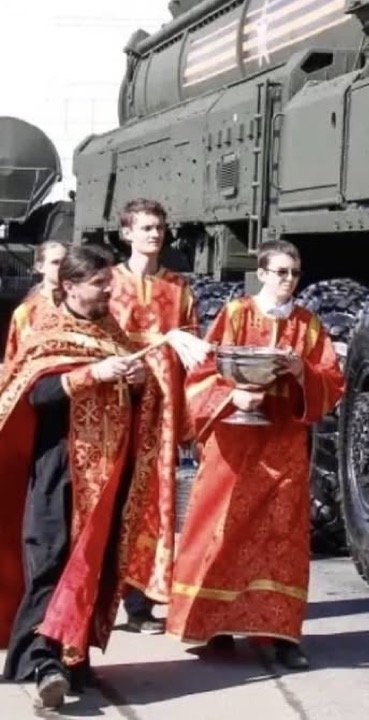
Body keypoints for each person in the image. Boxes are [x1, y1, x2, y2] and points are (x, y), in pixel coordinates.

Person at [0, 245, 184, 711]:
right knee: (51, 560)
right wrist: (91, 374)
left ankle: (73, 657)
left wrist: (139, 379)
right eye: (100, 284)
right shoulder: (48, 330)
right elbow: (34, 393)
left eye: (110, 282)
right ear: (71, 286)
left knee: (95, 565)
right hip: (59, 468)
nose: (109, 291)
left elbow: (140, 392)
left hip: (108, 475)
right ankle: (45, 662)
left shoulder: (111, 329)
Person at [165, 240, 344, 669]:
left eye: (295, 273)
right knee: (222, 527)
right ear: (261, 273)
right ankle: (215, 623)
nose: (288, 281)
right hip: (234, 443)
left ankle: (280, 633)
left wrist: (304, 372)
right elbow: (205, 372)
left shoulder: (308, 324)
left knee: (280, 537)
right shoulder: (236, 315)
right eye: (280, 272)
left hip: (282, 442)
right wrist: (233, 397)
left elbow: (333, 381)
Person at [108, 198, 212, 634]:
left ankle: (138, 600)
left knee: (153, 499)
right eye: (146, 227)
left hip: (161, 411)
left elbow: (192, 356)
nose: (155, 234)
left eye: (160, 228)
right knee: (109, 494)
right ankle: (97, 595)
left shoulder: (178, 288)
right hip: (114, 403)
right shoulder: (108, 282)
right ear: (127, 233)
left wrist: (191, 418)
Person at [3, 240, 66, 360]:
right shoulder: (26, 311)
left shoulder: (82, 304)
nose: (61, 267)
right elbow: (13, 356)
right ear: (40, 267)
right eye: (55, 262)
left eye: (65, 262)